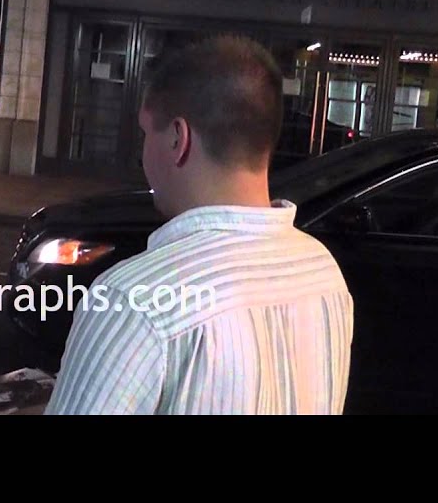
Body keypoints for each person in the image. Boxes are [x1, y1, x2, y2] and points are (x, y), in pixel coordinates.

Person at [45, 36, 354, 415]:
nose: (143, 153)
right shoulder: (321, 270)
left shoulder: (133, 298)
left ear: (178, 138)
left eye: (146, 134)